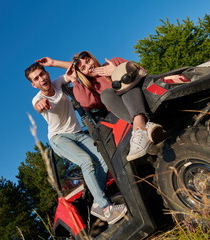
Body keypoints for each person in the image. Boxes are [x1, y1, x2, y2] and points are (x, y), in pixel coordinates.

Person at [25, 62, 127, 224]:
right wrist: (40, 106)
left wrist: (52, 62)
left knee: (104, 158)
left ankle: (97, 202)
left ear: (47, 74)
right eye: (36, 78)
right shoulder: (38, 99)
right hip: (59, 138)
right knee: (86, 161)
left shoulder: (58, 82)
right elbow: (38, 106)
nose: (41, 79)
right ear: (33, 84)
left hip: (78, 133)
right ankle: (106, 208)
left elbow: (74, 68)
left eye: (42, 74)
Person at [36, 51, 165, 161]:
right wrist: (74, 80)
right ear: (82, 73)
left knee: (123, 81)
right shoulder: (93, 87)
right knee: (106, 94)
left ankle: (140, 128)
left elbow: (142, 72)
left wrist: (116, 72)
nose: (89, 66)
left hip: (145, 99)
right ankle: (144, 126)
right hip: (124, 114)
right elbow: (86, 103)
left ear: (93, 58)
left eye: (88, 61)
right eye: (83, 68)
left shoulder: (114, 62)